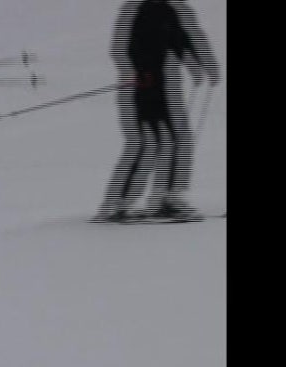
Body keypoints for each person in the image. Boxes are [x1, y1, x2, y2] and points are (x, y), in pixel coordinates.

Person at [94, 0, 220, 222]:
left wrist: (199, 69)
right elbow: (127, 48)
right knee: (148, 143)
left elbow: (179, 41)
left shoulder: (166, 11)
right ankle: (118, 205)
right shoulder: (145, 11)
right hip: (145, 88)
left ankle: (166, 199)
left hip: (157, 86)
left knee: (172, 141)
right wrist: (141, 72)